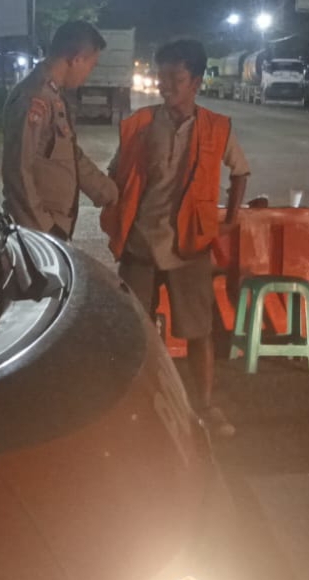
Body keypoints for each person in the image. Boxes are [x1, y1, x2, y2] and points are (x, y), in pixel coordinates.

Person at [102, 38, 250, 438]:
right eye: (161, 75)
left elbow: (240, 171)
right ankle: (137, 406)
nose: (164, 84)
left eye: (175, 77)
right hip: (141, 244)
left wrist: (230, 219)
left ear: (196, 82)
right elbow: (116, 174)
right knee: (137, 332)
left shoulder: (217, 128)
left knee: (199, 332)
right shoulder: (141, 125)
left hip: (190, 247)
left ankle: (205, 406)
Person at [1, 20, 119, 239]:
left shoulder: (54, 95)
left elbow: (70, 155)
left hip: (52, 227)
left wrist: (107, 192)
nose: (89, 74)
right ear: (76, 59)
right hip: (38, 233)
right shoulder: (35, 98)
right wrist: (44, 228)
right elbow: (18, 170)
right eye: (91, 65)